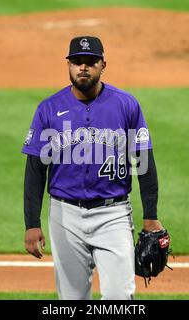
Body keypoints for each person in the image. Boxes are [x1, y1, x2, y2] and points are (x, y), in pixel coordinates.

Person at [21, 36, 164, 300]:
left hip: (114, 215)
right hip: (64, 217)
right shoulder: (48, 109)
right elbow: (35, 171)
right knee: (72, 300)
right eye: (77, 62)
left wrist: (151, 216)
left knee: (119, 298)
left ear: (103, 65)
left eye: (90, 62)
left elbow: (145, 163)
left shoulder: (126, 105)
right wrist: (31, 223)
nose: (83, 67)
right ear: (68, 65)